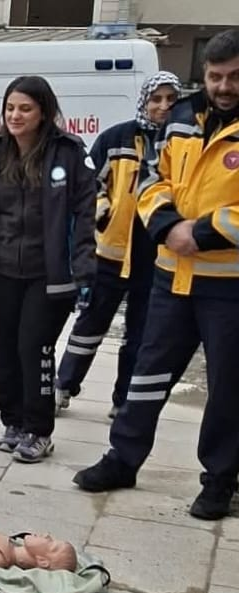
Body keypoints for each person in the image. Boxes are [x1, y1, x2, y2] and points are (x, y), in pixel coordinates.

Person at [74, 30, 239, 521]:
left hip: (228, 285)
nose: (224, 86)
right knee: (147, 373)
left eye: (234, 77)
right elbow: (151, 176)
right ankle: (123, 459)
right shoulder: (182, 117)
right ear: (204, 74)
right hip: (172, 274)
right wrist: (168, 225)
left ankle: (220, 481)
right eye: (215, 76)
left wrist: (200, 233)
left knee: (228, 388)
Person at [0, 75, 96, 464]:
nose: (15, 116)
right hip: (0, 272)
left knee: (34, 348)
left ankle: (39, 430)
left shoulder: (68, 155)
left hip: (48, 275)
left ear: (44, 112)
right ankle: (13, 421)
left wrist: (84, 271)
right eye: (10, 108)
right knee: (3, 350)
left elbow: (85, 216)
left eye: (25, 108)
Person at [55, 72, 182, 419]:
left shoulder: (183, 143)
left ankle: (123, 400)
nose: (163, 106)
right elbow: (88, 184)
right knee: (89, 326)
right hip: (111, 253)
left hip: (158, 258)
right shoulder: (117, 138)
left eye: (171, 99)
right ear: (144, 101)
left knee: (141, 334)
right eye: (156, 99)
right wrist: (103, 212)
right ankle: (63, 385)